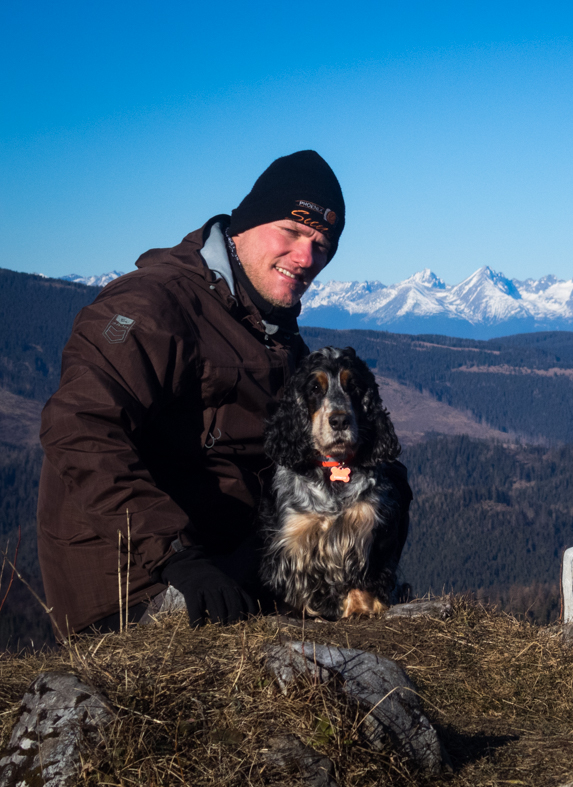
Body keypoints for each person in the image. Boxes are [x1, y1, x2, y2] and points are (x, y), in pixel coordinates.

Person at [37, 150, 345, 635]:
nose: (307, 258)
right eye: (291, 231)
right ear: (244, 225)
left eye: (321, 245)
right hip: (138, 582)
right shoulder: (155, 305)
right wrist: (178, 557)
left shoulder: (270, 326)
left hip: (227, 560)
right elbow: (78, 426)